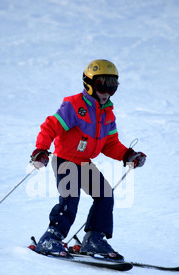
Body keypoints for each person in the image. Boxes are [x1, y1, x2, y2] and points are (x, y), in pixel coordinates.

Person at [31, 59, 146, 259]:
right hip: (65, 160)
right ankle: (51, 238)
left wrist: (128, 154)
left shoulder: (108, 115)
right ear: (89, 83)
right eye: (103, 84)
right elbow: (51, 126)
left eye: (112, 85)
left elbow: (110, 144)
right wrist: (41, 149)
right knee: (70, 198)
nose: (107, 90)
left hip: (84, 163)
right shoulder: (74, 106)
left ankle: (94, 239)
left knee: (105, 194)